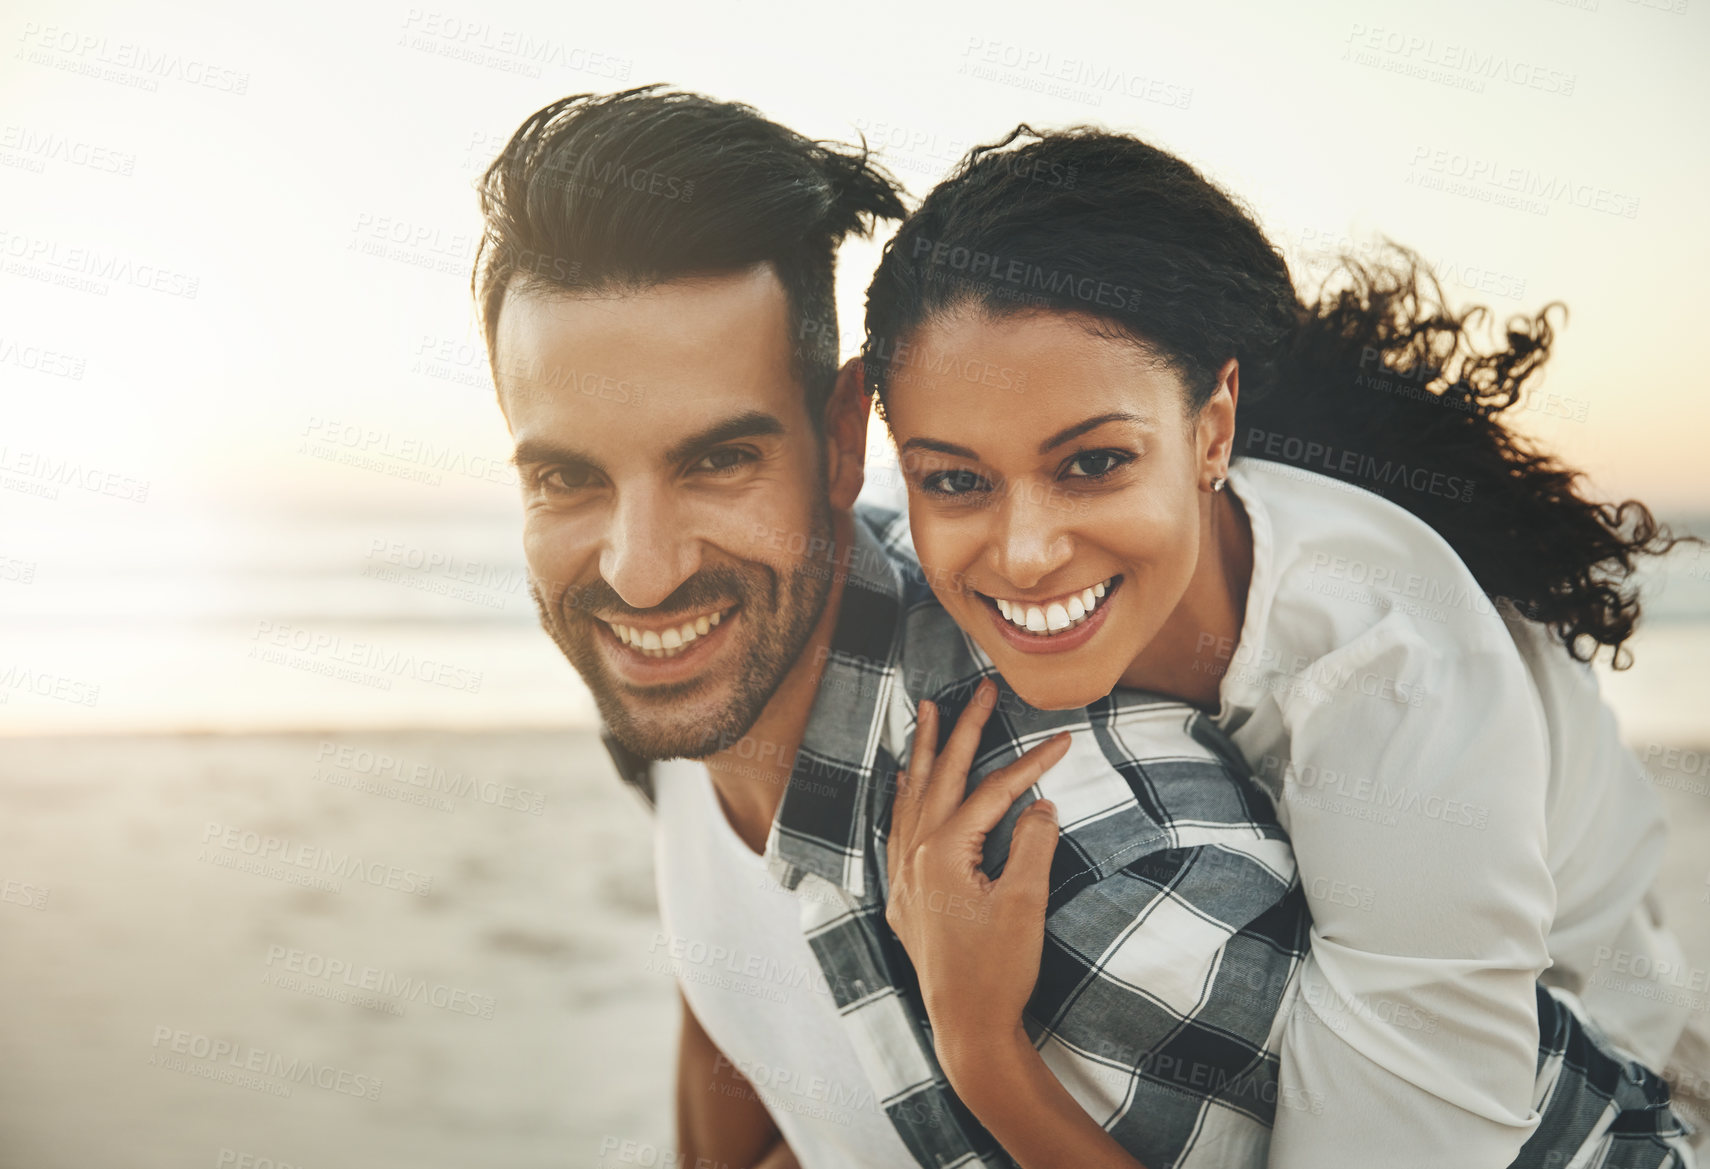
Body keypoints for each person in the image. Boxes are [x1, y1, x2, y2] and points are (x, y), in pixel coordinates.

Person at [471, 87, 1319, 1169]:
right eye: (565, 476)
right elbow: (732, 975)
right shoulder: (681, 694)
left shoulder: (1122, 879)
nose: (641, 574)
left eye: (718, 460)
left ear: (838, 438)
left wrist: (983, 1049)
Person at [861, 123, 1705, 1167]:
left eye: (1093, 463)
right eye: (955, 478)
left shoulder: (1401, 693)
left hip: (1606, 1029)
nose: (1025, 553)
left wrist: (981, 1047)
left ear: (1213, 428)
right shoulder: (925, 543)